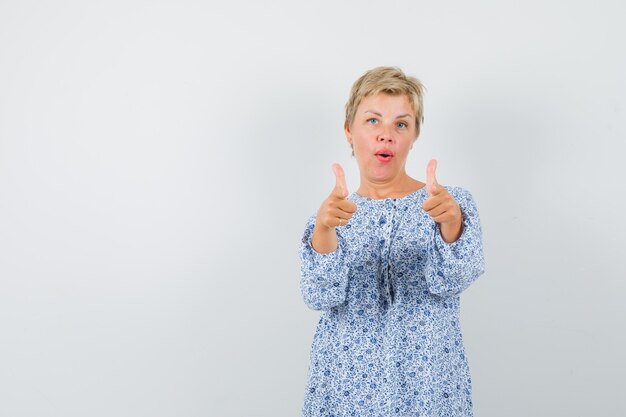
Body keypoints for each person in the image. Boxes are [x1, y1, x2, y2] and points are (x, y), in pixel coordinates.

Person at [298, 67, 485, 417]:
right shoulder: (331, 216)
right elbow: (318, 295)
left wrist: (451, 224)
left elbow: (457, 277)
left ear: (414, 135)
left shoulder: (448, 204)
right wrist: (324, 231)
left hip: (428, 391)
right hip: (345, 391)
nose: (386, 136)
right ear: (348, 130)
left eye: (401, 124)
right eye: (372, 121)